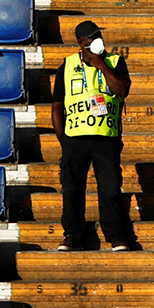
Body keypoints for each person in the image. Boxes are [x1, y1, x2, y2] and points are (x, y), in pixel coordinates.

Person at [51, 20, 133, 251]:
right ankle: (73, 235)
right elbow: (57, 106)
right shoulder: (66, 66)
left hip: (106, 138)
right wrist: (63, 138)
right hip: (75, 139)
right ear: (81, 42)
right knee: (72, 189)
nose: (98, 39)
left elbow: (122, 90)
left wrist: (101, 65)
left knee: (110, 188)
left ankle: (115, 235)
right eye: (92, 36)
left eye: (99, 35)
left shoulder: (115, 61)